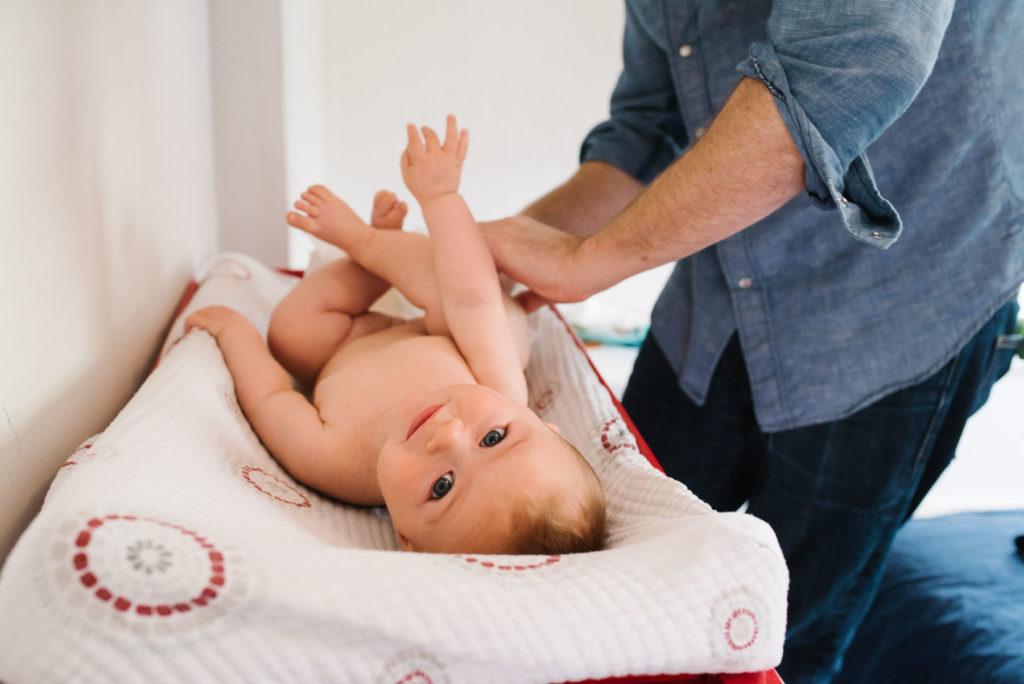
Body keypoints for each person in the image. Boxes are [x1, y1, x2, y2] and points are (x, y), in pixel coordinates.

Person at [482, 2, 1023, 682]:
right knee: (603, 579)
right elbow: (651, 128)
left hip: (899, 303)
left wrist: (585, 263)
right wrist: (482, 258)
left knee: (784, 643)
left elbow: (844, 62)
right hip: (716, 299)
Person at [186, 115, 605, 556]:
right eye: (493, 438)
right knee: (476, 305)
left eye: (442, 486)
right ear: (544, 425)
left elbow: (271, 397)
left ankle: (369, 260)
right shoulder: (497, 384)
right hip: (441, 320)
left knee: (291, 334)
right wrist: (441, 198)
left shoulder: (340, 466)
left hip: (345, 347)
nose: (446, 435)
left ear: (407, 539)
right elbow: (471, 298)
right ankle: (366, 242)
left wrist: (233, 331)